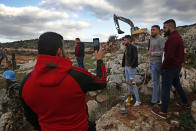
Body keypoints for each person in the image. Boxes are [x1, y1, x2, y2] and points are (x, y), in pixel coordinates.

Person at [20, 32, 107, 131]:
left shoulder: (25, 83)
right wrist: (99, 60)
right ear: (59, 51)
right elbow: (102, 81)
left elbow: (30, 116)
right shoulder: (77, 75)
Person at [152, 19, 189, 119]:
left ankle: (163, 111)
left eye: (164, 27)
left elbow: (169, 56)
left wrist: (163, 67)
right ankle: (185, 102)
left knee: (165, 89)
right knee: (177, 85)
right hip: (176, 67)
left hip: (170, 68)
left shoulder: (173, 39)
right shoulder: (176, 37)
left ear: (171, 27)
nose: (163, 30)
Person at [135, 25, 166, 106]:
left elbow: (163, 52)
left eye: (154, 30)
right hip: (152, 63)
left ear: (159, 31)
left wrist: (152, 53)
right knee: (155, 82)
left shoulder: (161, 39)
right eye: (151, 30)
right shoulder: (151, 39)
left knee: (157, 82)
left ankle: (155, 100)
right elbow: (145, 44)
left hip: (159, 63)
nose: (152, 31)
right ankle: (158, 100)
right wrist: (136, 43)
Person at [122, 35, 141, 106]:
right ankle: (130, 97)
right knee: (128, 83)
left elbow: (135, 57)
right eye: (123, 40)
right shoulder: (126, 47)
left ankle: (138, 100)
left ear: (129, 40)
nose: (124, 41)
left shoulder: (133, 47)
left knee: (133, 83)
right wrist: (124, 66)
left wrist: (131, 65)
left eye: (125, 40)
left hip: (131, 68)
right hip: (126, 67)